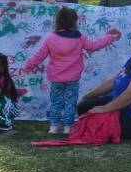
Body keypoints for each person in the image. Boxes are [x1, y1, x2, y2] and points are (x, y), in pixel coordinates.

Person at [21, 7, 121, 135]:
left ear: (58, 21)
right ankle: (68, 126)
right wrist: (109, 37)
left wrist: (27, 67)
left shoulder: (51, 38)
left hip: (56, 78)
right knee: (70, 102)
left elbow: (39, 55)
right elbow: (94, 45)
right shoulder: (79, 37)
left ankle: (54, 126)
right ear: (74, 21)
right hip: (73, 78)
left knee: (56, 102)